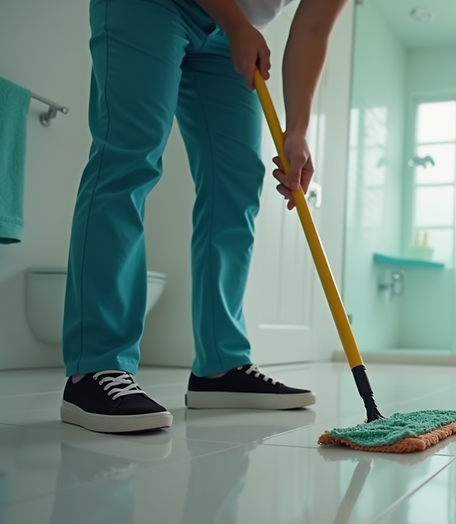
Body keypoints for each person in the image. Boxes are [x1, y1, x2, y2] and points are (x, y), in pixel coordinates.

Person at [60, 0, 347, 434]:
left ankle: (220, 366)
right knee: (128, 159)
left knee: (236, 187)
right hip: (153, 7)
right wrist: (234, 22)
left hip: (230, 31)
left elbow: (312, 30)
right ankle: (95, 367)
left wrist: (297, 132)